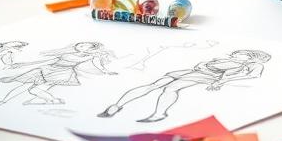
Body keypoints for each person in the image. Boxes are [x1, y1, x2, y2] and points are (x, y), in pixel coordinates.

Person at [98, 49, 270, 123]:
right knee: (154, 85)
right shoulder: (228, 59)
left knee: (171, 88)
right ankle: (116, 106)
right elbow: (203, 63)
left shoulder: (251, 65)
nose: (237, 55)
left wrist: (221, 81)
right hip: (193, 71)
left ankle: (159, 114)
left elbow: (250, 74)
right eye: (238, 53)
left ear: (252, 58)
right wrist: (204, 66)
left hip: (209, 77)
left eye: (243, 54)